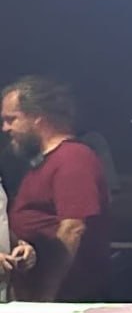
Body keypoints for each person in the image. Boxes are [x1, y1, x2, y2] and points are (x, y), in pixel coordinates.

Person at [1, 76, 111, 301]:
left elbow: (73, 228)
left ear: (38, 117)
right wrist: (23, 246)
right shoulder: (43, 163)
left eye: (11, 119)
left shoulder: (73, 158)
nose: (5, 128)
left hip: (65, 302)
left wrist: (46, 295)